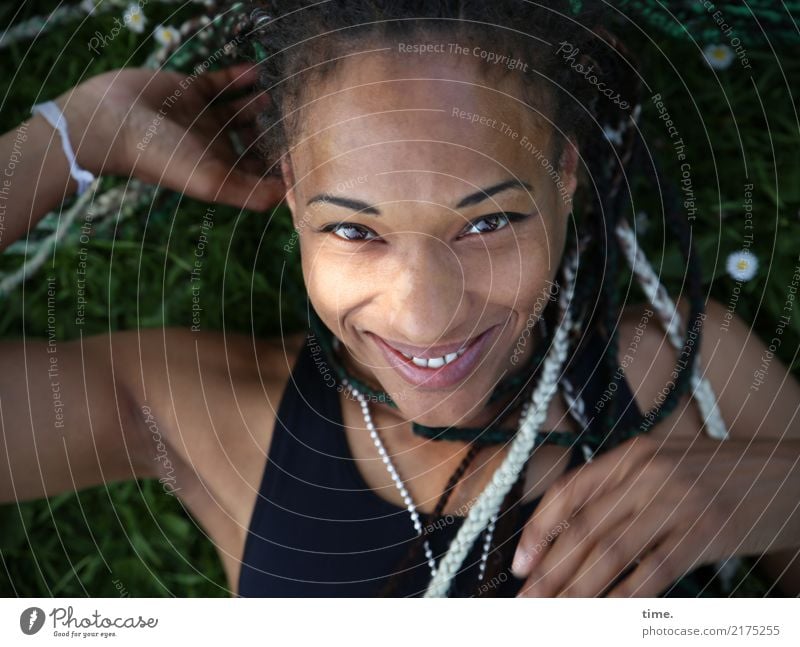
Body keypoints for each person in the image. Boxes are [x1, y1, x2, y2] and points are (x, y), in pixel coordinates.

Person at [1, 0, 799, 598]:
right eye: (354, 231)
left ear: (565, 175)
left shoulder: (691, 379)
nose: (424, 316)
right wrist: (71, 137)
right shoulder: (209, 419)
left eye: (488, 220)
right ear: (291, 195)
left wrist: (778, 492)